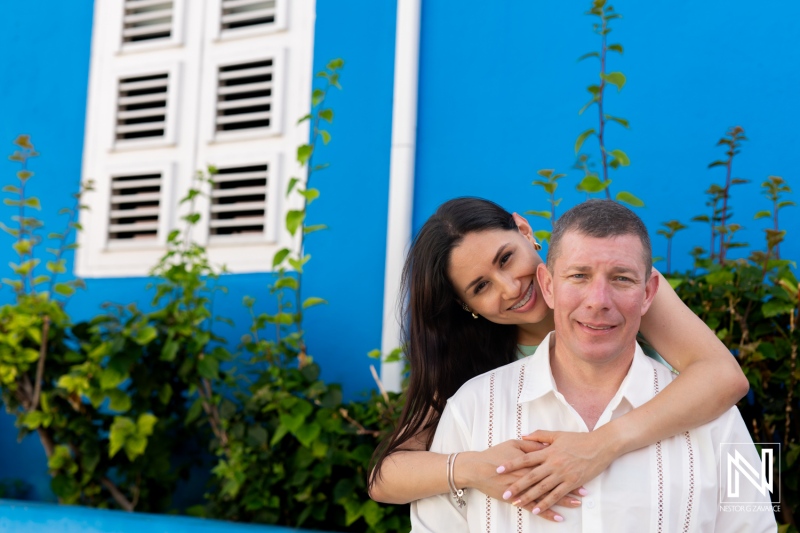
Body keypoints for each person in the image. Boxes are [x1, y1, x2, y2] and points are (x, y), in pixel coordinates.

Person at [370, 197, 750, 521]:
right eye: (481, 287)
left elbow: (724, 377)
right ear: (465, 305)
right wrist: (475, 468)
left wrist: (599, 445)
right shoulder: (473, 390)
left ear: (524, 230)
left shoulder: (616, 291)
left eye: (505, 259)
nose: (511, 287)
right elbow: (385, 477)